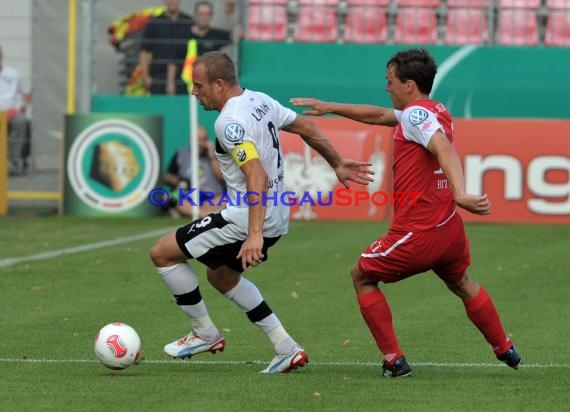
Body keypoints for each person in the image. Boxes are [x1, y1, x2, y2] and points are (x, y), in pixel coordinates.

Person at [291, 48, 522, 378]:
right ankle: (505, 348)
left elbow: (442, 147)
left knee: (362, 276)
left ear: (409, 84)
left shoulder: (415, 117)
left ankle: (394, 360)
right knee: (462, 282)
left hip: (418, 232)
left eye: (390, 81)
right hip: (448, 229)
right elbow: (380, 116)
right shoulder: (432, 110)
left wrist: (461, 193)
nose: (386, 87)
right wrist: (331, 107)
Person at [150, 51, 373, 373]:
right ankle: (285, 347)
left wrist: (253, 235)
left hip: (247, 217)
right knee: (221, 275)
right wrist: (337, 162)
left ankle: (204, 333)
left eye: (199, 86)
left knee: (162, 253)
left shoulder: (228, 122)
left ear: (219, 83)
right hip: (277, 217)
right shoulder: (260, 100)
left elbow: (257, 175)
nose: (194, 93)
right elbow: (308, 127)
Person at [165, 1, 232, 92]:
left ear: (211, 16)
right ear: (195, 15)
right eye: (201, 14)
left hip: (208, 88)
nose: (203, 17)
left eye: (206, 14)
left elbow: (237, 35)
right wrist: (170, 83)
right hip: (184, 86)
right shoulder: (183, 34)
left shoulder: (216, 35)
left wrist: (230, 14)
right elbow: (173, 61)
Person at [163, 125, 226, 218]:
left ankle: (191, 212)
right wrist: (178, 181)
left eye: (203, 139)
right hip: (189, 197)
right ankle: (204, 214)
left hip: (211, 198)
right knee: (167, 197)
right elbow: (167, 177)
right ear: (191, 140)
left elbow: (221, 177)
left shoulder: (216, 155)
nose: (201, 143)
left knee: (226, 198)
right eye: (198, 140)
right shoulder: (181, 154)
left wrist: (212, 156)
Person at [139, 0, 193, 95]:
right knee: (159, 109)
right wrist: (146, 77)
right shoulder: (155, 22)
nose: (172, 1)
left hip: (182, 79)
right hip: (158, 79)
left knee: (182, 109)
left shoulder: (188, 22)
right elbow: (144, 51)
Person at [0, 45, 32, 176]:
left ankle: (13, 161)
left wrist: (22, 108)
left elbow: (27, 94)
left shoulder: (13, 74)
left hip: (11, 113)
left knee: (21, 120)